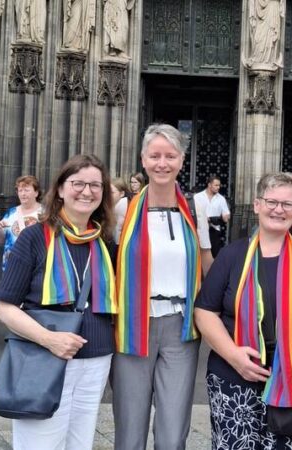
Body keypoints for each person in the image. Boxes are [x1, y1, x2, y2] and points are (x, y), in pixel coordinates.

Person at [194, 172, 292, 450]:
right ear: (257, 205)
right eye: (271, 202)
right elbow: (204, 311)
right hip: (233, 379)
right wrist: (234, 356)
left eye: (287, 204)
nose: (278, 210)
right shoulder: (232, 256)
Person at [0, 154, 117, 449]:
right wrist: (49, 339)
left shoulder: (106, 244)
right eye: (78, 183)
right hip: (44, 358)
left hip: (97, 359)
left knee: (80, 444)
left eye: (95, 185)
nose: (87, 191)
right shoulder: (33, 238)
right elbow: (5, 307)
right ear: (60, 189)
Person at [112, 124, 213, 450]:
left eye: (170, 156)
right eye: (154, 155)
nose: (162, 163)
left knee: (173, 433)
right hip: (133, 325)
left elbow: (207, 259)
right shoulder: (124, 210)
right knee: (130, 428)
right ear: (143, 159)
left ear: (182, 160)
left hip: (180, 328)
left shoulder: (194, 209)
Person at [0, 175, 43, 272]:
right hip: (11, 267)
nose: (23, 194)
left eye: (26, 190)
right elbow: (0, 240)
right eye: (20, 191)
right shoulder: (11, 213)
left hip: (37, 267)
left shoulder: (45, 213)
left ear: (36, 193)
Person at [204, 176, 231, 258]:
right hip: (200, 230)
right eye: (216, 185)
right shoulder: (198, 197)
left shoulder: (221, 199)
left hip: (214, 231)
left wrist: (225, 216)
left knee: (215, 256)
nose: (218, 187)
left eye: (219, 185)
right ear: (209, 185)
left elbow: (226, 215)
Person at [110, 177, 129, 242]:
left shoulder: (122, 204)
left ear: (122, 194)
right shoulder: (114, 204)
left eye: (112, 192)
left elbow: (118, 229)